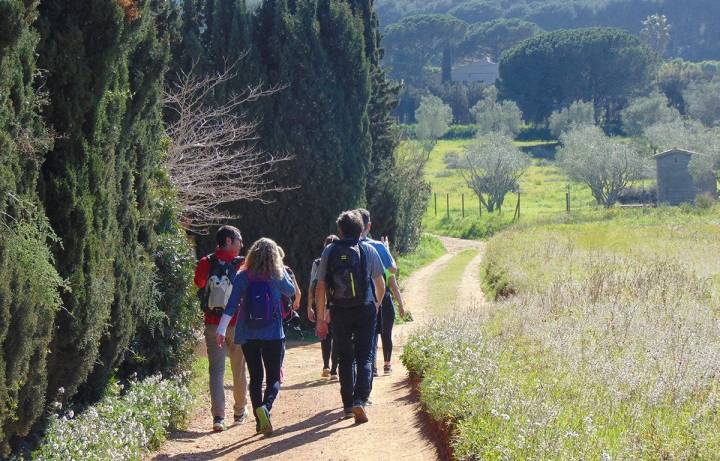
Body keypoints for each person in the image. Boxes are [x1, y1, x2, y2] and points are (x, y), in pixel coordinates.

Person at [216, 238, 296, 435]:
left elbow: (232, 304)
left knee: (255, 377)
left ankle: (259, 421)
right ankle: (265, 408)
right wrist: (282, 268)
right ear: (274, 256)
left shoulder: (244, 275)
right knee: (274, 377)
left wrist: (221, 330)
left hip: (248, 332)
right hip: (273, 333)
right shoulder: (277, 274)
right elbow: (291, 291)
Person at [315, 210, 386, 424]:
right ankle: (360, 400)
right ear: (362, 229)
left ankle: (347, 406)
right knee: (364, 356)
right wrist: (375, 305)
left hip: (339, 310)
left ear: (340, 230)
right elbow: (380, 284)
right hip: (364, 308)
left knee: (345, 358)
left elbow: (320, 286)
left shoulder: (329, 251)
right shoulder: (368, 250)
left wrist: (321, 317)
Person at [194, 225, 249, 432]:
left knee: (216, 371)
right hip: (236, 323)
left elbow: (199, 283)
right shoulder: (242, 264)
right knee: (238, 367)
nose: (241, 244)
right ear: (228, 240)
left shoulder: (206, 262)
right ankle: (239, 410)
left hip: (212, 323)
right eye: (238, 240)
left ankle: (218, 417)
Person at [356, 209, 407, 376]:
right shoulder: (377, 246)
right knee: (384, 333)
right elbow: (392, 269)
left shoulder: (341, 247)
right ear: (368, 225)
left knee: (367, 335)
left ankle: (371, 367)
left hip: (356, 299)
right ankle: (382, 365)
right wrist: (387, 249)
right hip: (379, 296)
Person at [307, 235, 340, 379]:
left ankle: (327, 366)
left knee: (325, 336)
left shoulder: (318, 263)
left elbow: (312, 285)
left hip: (322, 302)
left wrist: (310, 306)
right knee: (336, 336)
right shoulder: (342, 262)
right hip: (337, 304)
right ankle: (333, 369)